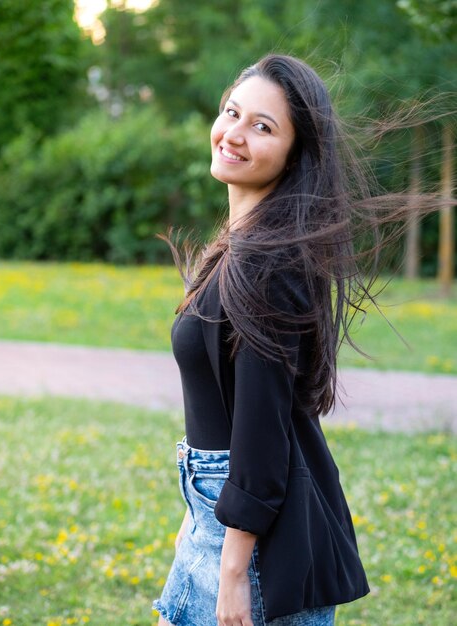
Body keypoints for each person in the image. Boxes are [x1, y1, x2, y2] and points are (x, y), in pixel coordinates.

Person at [151, 53, 443, 626]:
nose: (234, 133)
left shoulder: (271, 262)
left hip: (251, 540)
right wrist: (200, 519)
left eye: (262, 126)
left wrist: (233, 569)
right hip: (216, 516)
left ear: (294, 153)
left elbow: (262, 424)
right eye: (232, 112)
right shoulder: (240, 248)